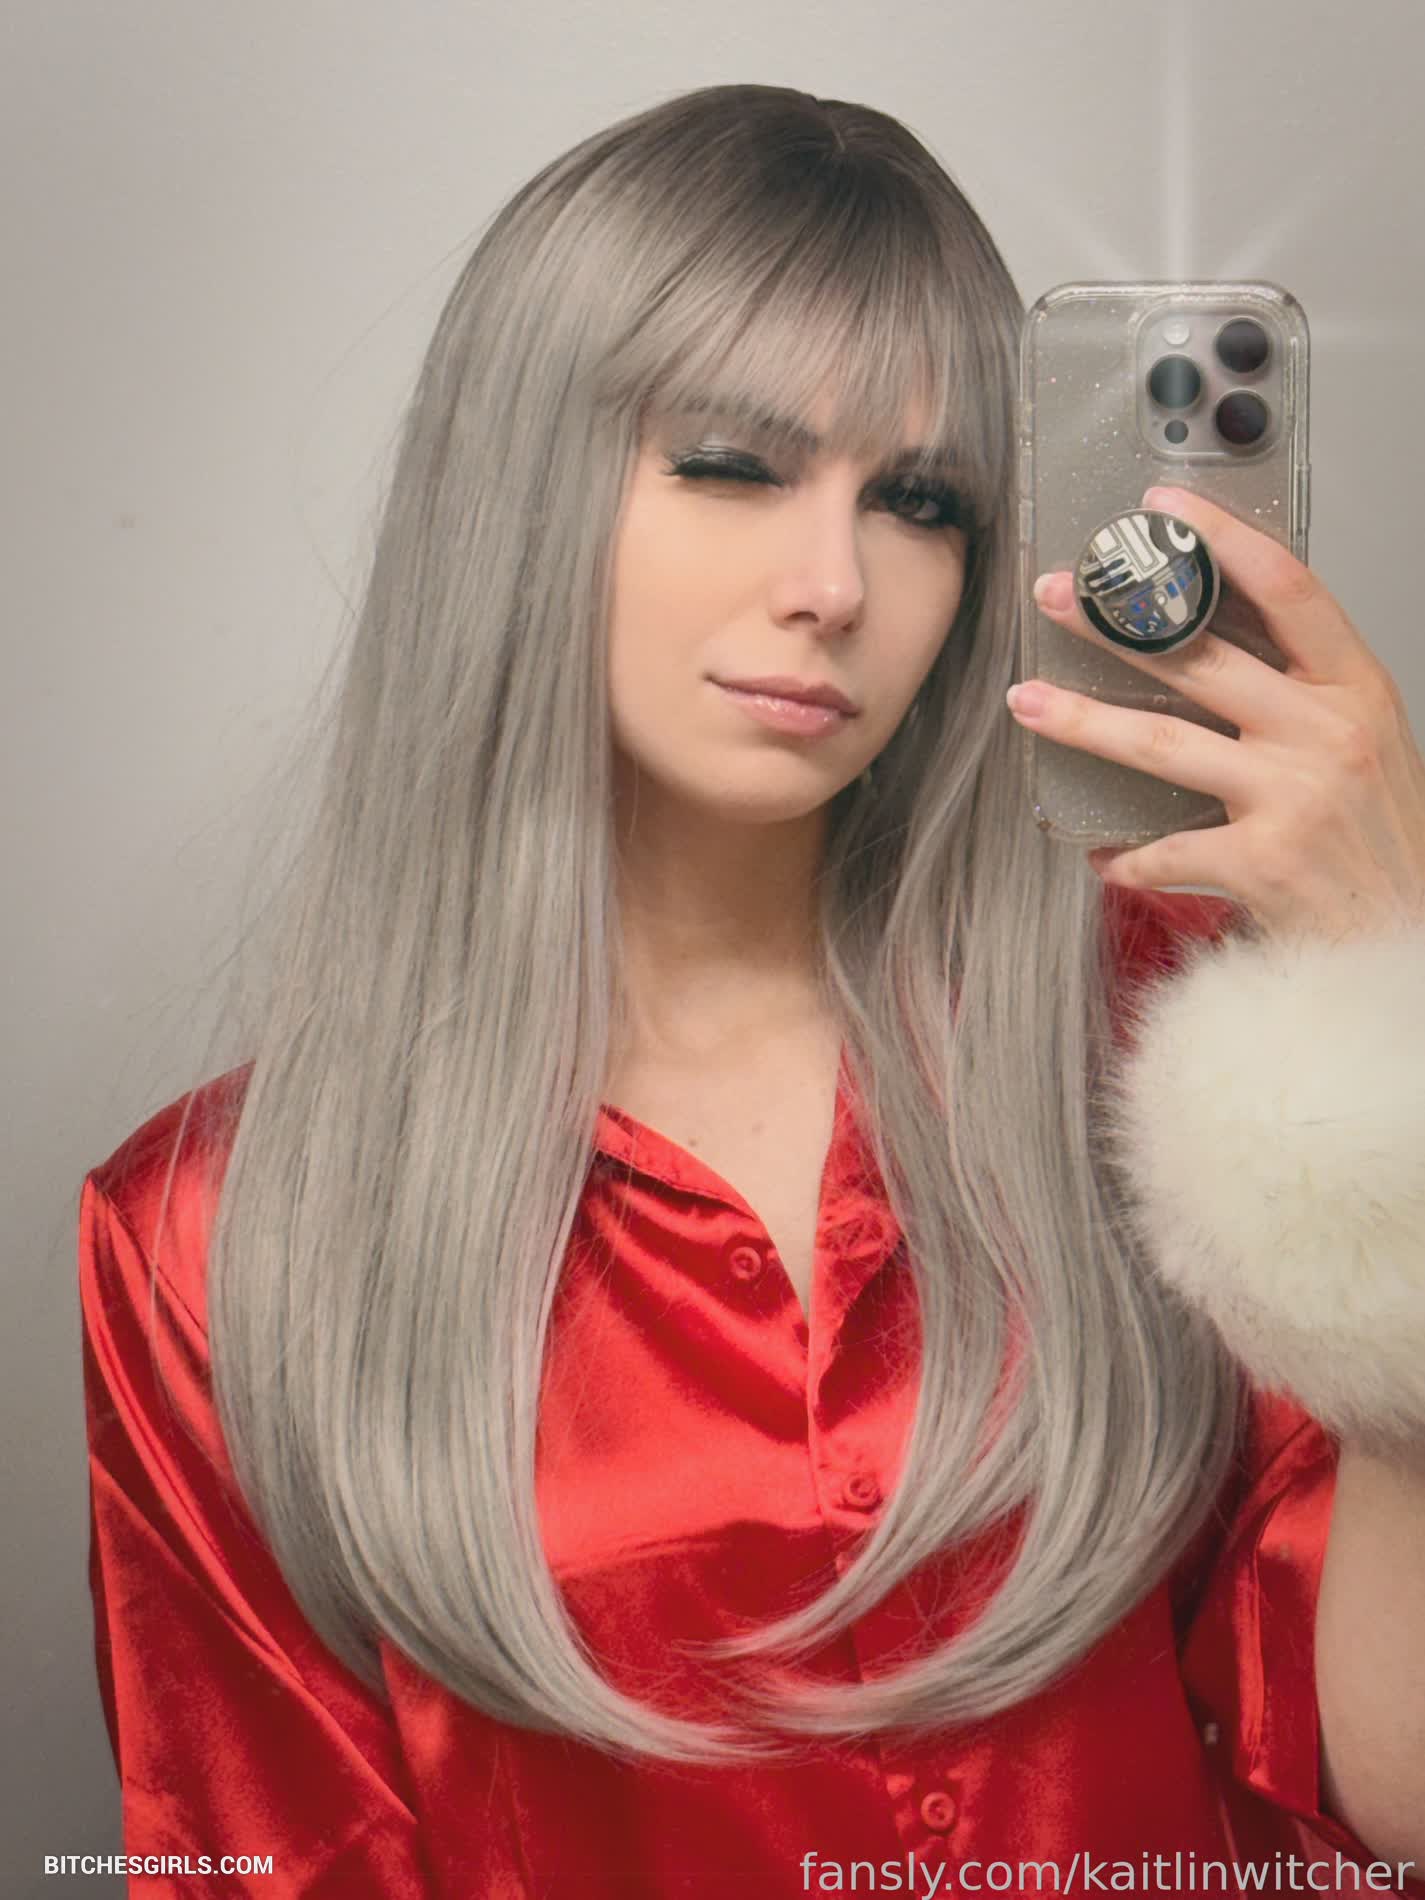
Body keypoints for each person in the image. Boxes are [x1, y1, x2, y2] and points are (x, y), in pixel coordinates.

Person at [78, 83, 1425, 1897]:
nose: (833, 584)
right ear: (520, 482)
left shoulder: (1178, 1051)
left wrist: (1383, 993)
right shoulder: (204, 1239)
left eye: (921, 502)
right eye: (729, 464)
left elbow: (1389, 1800)